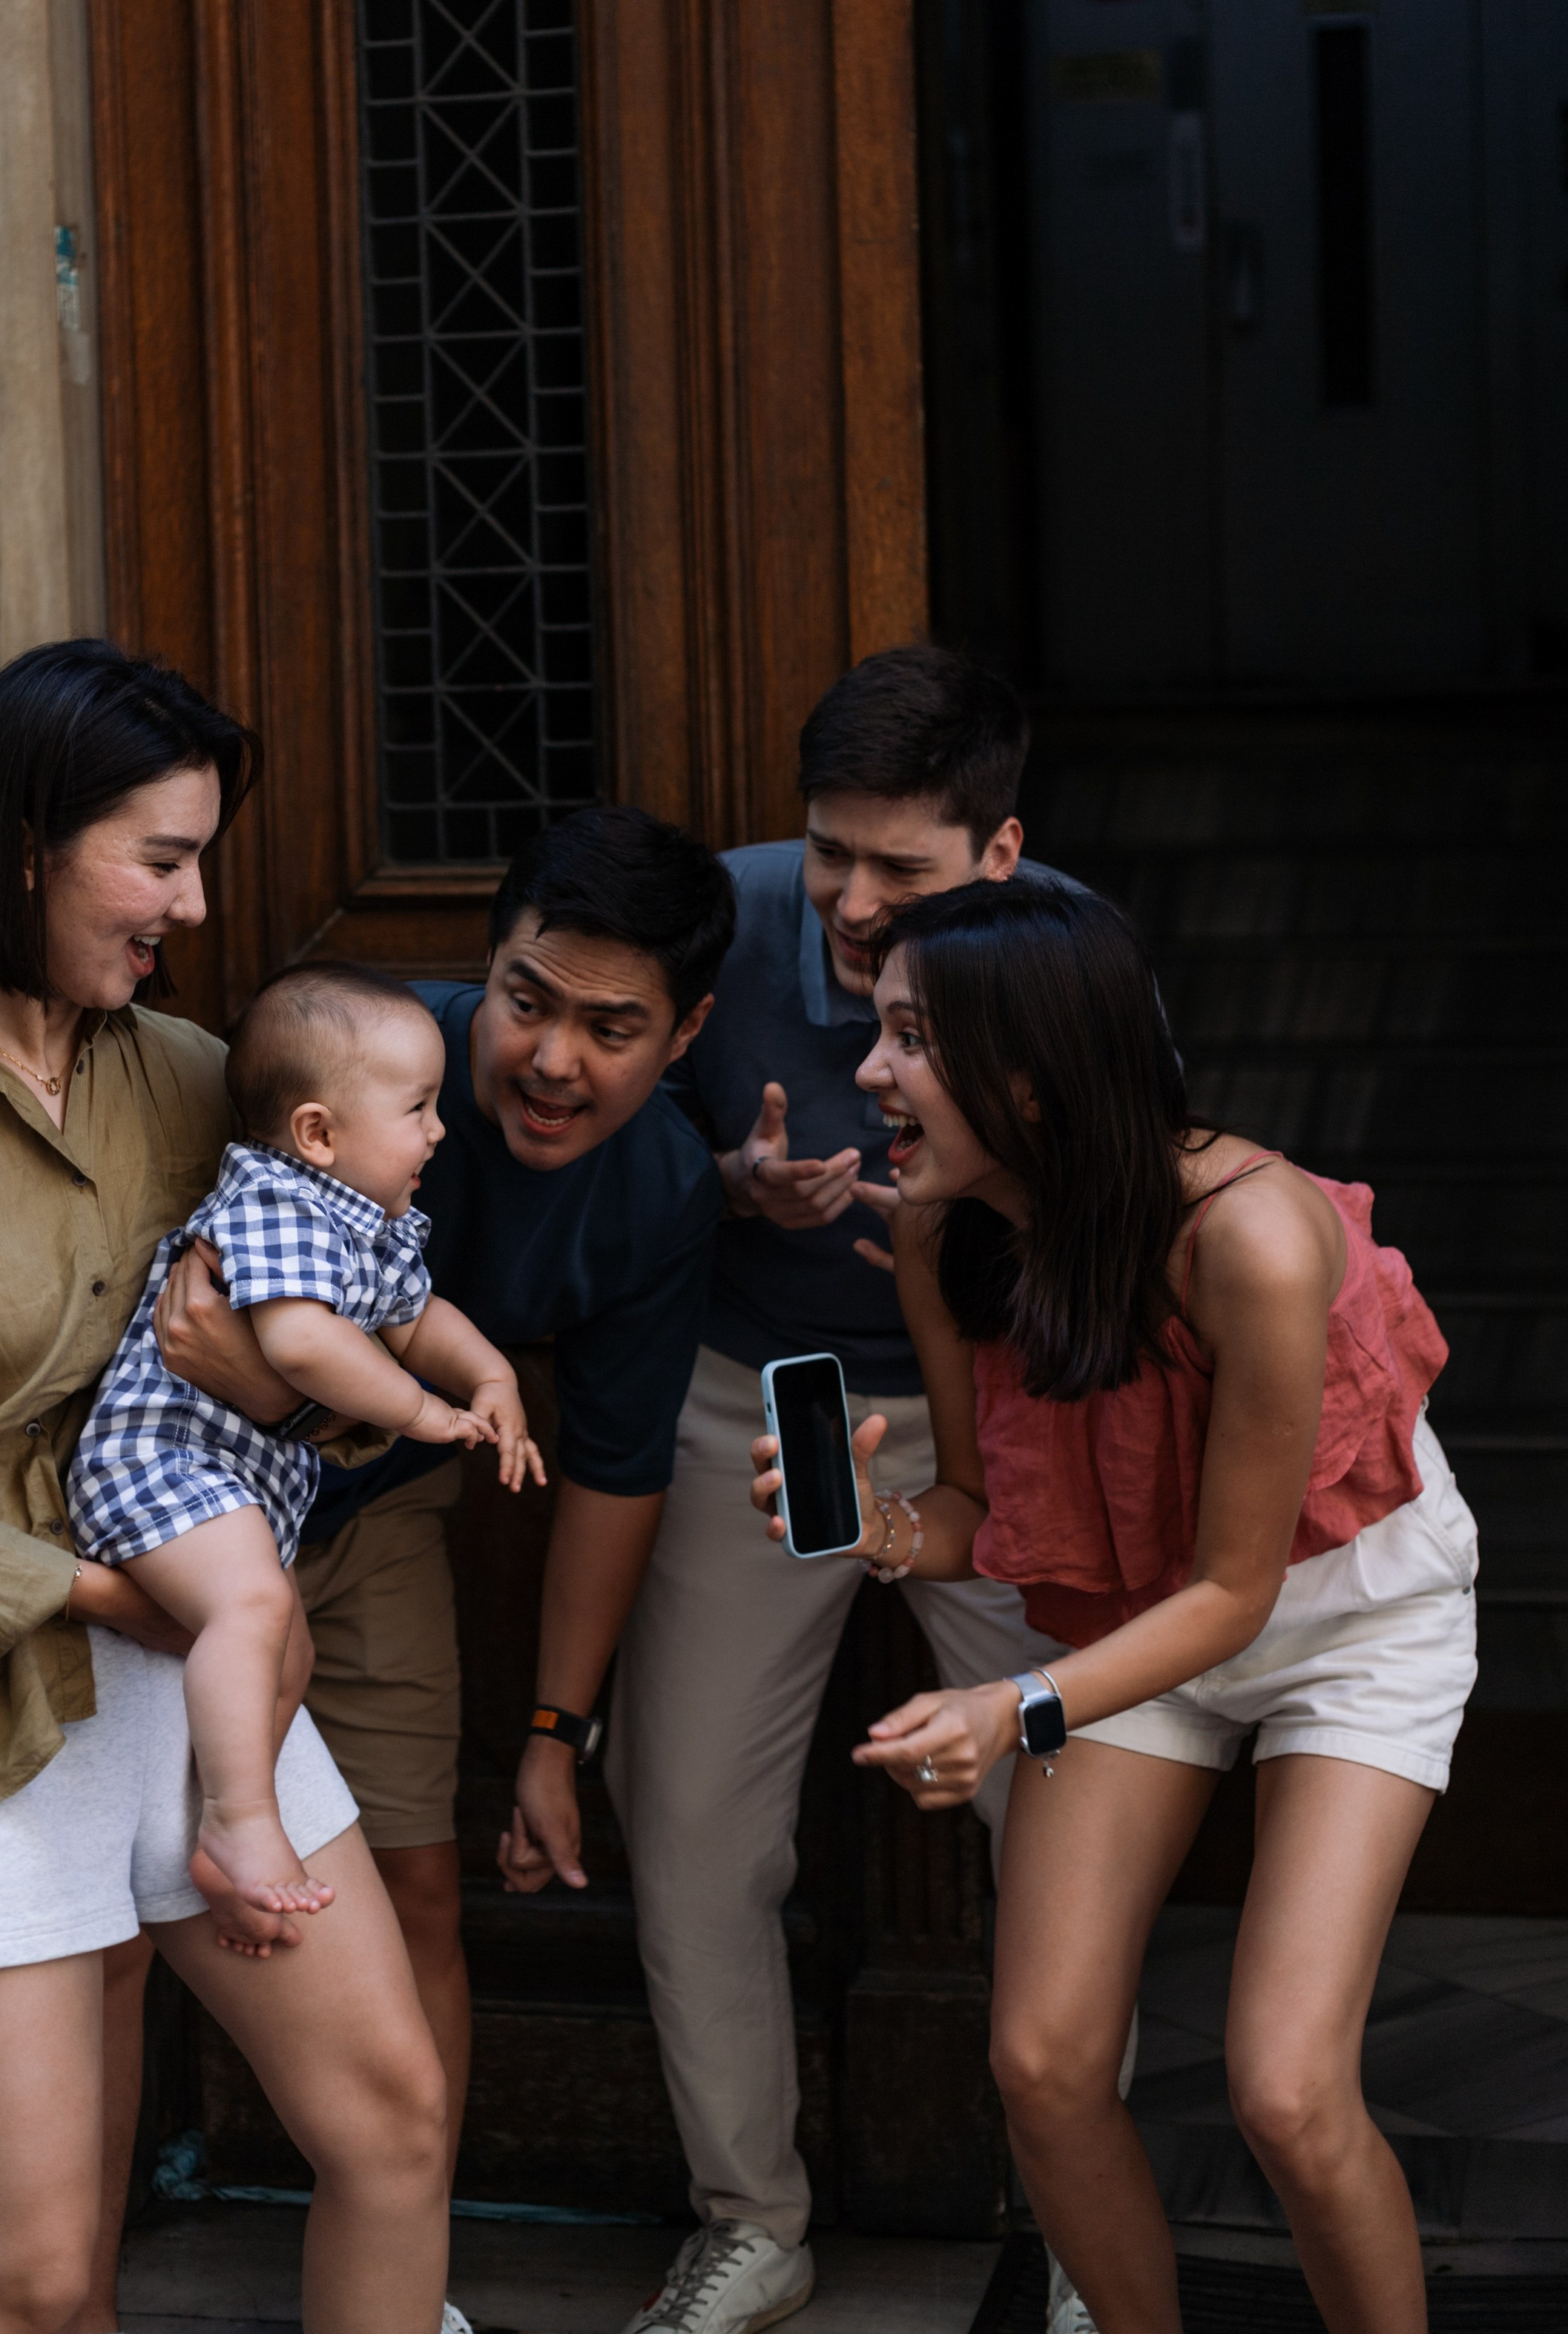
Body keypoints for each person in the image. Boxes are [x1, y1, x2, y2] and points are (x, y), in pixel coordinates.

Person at [0, 642, 458, 2334]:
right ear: (29, 843)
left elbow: (342, 1318)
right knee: (36, 2286)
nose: (191, 907)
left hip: (196, 1685)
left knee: (394, 2128)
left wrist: (274, 1392)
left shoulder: (198, 1081)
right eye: (163, 860)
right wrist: (92, 1592)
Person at [755, 878, 1477, 2334]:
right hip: (1136, 1623)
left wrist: (1011, 1707)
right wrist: (863, 1524)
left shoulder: (1248, 1238)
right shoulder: (947, 1233)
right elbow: (978, 1512)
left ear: (1023, 1074)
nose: (869, 1072)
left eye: (906, 1038)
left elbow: (1231, 1589)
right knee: (1040, 2062)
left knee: (1284, 2085)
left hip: (1346, 1627)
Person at [135, 807, 735, 2218]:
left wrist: (552, 1737)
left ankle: (416, 2271)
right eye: (527, 1000)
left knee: (419, 1893)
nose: (551, 1058)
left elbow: (617, 1466)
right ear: (488, 962)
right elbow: (203, 1341)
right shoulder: (356, 1072)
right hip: (195, 1522)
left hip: (386, 1524)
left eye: (612, 1027)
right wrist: (308, 1406)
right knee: (140, 1891)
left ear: (687, 1036)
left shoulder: (660, 1192)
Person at [603, 646, 1071, 2334]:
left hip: (1008, 1410)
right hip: (785, 1398)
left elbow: (1136, 1192)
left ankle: (1090, 2241)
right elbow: (575, 1120)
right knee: (697, 1825)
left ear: (999, 856)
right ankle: (748, 2220)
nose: (853, 902)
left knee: (1069, 1818)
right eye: (830, 856)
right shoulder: (717, 918)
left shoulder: (1070, 958)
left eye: (904, 869)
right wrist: (721, 1189)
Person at [68, 964, 541, 1920]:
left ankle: (223, 1829)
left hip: (224, 1484)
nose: (440, 1130)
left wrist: (491, 1378)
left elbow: (419, 1318)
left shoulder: (368, 1221)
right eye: (418, 1108)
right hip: (159, 1465)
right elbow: (301, 1341)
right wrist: (421, 1413)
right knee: (253, 1608)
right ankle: (241, 1822)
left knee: (288, 1652)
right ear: (318, 1133)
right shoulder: (278, 1201)